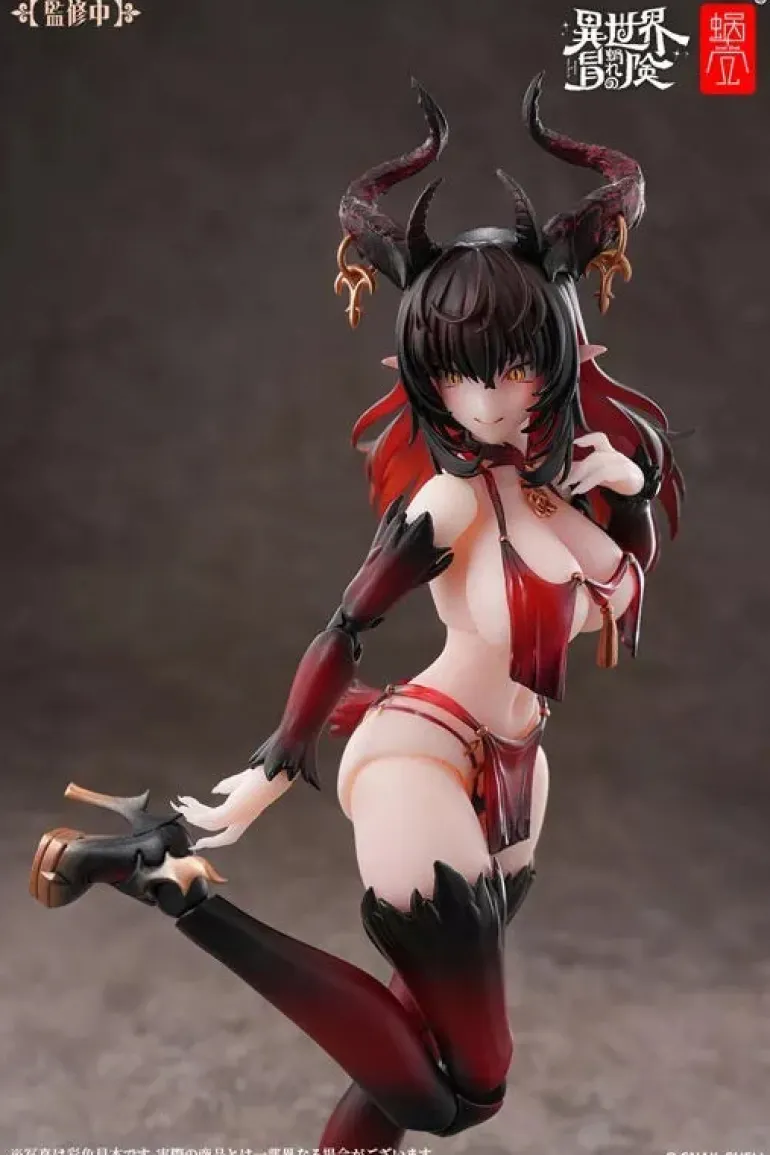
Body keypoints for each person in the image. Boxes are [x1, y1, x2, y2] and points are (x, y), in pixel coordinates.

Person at [29, 72, 684, 1148]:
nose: (490, 398)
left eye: (515, 367)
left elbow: (624, 588)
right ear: (428, 373)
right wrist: (269, 770)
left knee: (412, 1056)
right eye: (461, 373)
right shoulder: (447, 503)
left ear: (558, 351)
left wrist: (631, 480)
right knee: (468, 1091)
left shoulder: (565, 489)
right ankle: (169, 879)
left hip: (516, 773)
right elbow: (345, 625)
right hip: (422, 758)